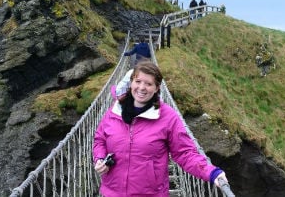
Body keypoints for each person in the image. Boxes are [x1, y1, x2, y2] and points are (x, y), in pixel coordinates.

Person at [93, 61, 229, 197]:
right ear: (131, 83)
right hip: (112, 192)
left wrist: (211, 172)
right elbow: (100, 139)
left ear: (157, 88)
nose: (141, 87)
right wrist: (100, 158)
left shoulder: (168, 117)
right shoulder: (115, 111)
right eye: (138, 81)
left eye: (148, 84)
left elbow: (184, 153)